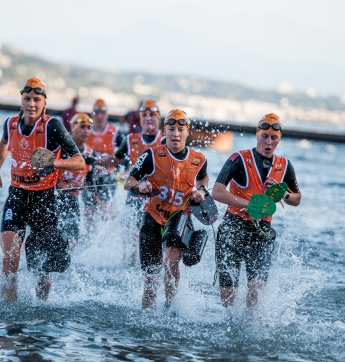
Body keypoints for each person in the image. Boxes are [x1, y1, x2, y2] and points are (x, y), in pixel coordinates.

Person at [0, 77, 85, 302]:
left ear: (44, 103)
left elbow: (79, 161)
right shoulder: (10, 124)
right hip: (17, 197)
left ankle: (41, 310)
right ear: (21, 100)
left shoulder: (53, 126)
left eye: (36, 100)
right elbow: (4, 143)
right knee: (11, 257)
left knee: (42, 267)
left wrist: (54, 163)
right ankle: (8, 311)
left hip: (44, 200)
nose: (31, 104)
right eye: (27, 98)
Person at [211, 113, 301, 308]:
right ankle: (231, 328)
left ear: (279, 139)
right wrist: (248, 204)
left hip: (261, 232)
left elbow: (297, 199)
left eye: (274, 138)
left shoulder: (285, 166)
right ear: (257, 135)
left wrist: (283, 193)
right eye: (265, 136)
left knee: (256, 287)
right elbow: (217, 192)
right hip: (232, 229)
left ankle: (250, 328)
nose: (268, 142)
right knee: (228, 295)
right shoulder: (239, 158)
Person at [124, 109, 209, 309]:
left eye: (180, 129)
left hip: (180, 217)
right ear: (165, 131)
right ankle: (147, 316)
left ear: (188, 132)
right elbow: (129, 180)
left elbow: (203, 178)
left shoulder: (199, 159)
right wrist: (139, 185)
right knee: (151, 277)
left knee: (171, 263)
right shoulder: (152, 155)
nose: (176, 134)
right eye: (171, 129)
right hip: (153, 216)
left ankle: (170, 306)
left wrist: (202, 191)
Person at [97, 99, 164, 263]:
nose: (148, 118)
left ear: (159, 119)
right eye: (145, 115)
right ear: (140, 119)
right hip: (134, 192)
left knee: (154, 232)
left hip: (157, 195)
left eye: (152, 115)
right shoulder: (130, 139)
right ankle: (130, 261)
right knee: (129, 229)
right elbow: (115, 160)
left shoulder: (165, 141)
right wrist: (93, 161)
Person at [56, 112, 97, 251]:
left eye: (89, 127)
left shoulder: (90, 153)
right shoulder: (61, 148)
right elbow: (53, 179)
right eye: (82, 126)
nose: (86, 131)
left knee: (73, 240)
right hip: (55, 199)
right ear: (73, 127)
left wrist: (94, 196)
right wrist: (69, 185)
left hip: (72, 201)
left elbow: (90, 180)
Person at [84, 99, 125, 225]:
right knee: (88, 211)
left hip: (108, 175)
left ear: (107, 115)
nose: (100, 116)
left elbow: (126, 152)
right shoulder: (85, 130)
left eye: (103, 113)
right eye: (97, 113)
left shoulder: (115, 132)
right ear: (92, 114)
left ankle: (109, 231)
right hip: (89, 175)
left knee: (105, 211)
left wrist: (126, 170)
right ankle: (90, 238)